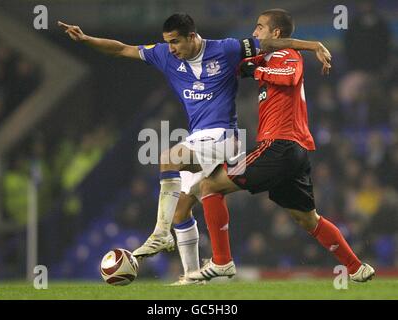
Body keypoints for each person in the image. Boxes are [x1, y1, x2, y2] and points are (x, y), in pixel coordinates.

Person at [58, 13, 332, 285]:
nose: (172, 48)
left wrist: (313, 46)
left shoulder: (224, 48)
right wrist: (85, 39)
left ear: (192, 36)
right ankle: (192, 279)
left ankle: (160, 233)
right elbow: (121, 49)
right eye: (168, 42)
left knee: (169, 158)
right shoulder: (164, 54)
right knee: (182, 209)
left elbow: (271, 44)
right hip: (198, 138)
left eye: (176, 41)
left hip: (226, 137)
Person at [188, 9, 375, 283]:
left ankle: (222, 262)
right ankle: (358, 268)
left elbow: (286, 76)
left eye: (260, 27)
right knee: (308, 219)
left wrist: (258, 68)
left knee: (209, 185)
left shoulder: (287, 55)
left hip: (280, 146)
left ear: (276, 33)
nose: (254, 32)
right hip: (291, 152)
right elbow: (238, 63)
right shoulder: (268, 56)